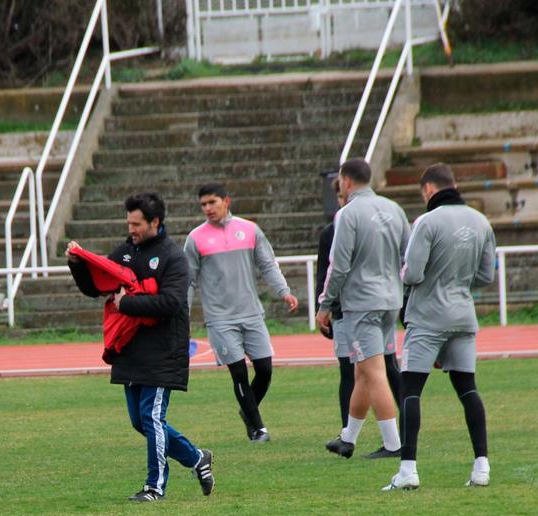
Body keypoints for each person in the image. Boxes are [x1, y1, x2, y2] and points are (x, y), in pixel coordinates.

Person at [66, 191, 215, 502]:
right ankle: (196, 457)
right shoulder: (125, 252)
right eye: (129, 223)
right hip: (131, 349)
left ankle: (154, 487)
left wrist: (128, 303)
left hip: (163, 352)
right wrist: (78, 265)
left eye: (137, 224)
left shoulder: (174, 257)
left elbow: (171, 302)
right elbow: (98, 286)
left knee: (151, 418)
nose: (131, 230)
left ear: (155, 222)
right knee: (140, 421)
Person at [383, 163, 496, 491]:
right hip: (463, 314)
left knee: (411, 390)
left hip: (429, 317)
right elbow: (487, 275)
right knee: (468, 388)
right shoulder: (481, 221)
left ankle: (408, 469)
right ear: (454, 184)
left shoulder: (426, 222)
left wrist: (405, 275)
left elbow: (414, 273)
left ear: (428, 190)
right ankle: (481, 465)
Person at [185, 182, 299, 442]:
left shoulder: (249, 230)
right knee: (238, 372)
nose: (207, 208)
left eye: (212, 202)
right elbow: (188, 281)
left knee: (265, 370)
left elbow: (267, 264)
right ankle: (259, 429)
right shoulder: (195, 238)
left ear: (227, 201)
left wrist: (284, 291)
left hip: (251, 313)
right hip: (220, 319)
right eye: (203, 204)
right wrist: (184, 315)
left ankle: (247, 410)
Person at [316, 158, 411, 460]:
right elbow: (408, 256)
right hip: (389, 300)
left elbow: (338, 265)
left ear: (345, 181)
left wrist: (325, 304)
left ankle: (394, 443)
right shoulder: (394, 209)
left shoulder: (348, 214)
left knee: (374, 372)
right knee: (362, 370)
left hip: (361, 303)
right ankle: (348, 437)